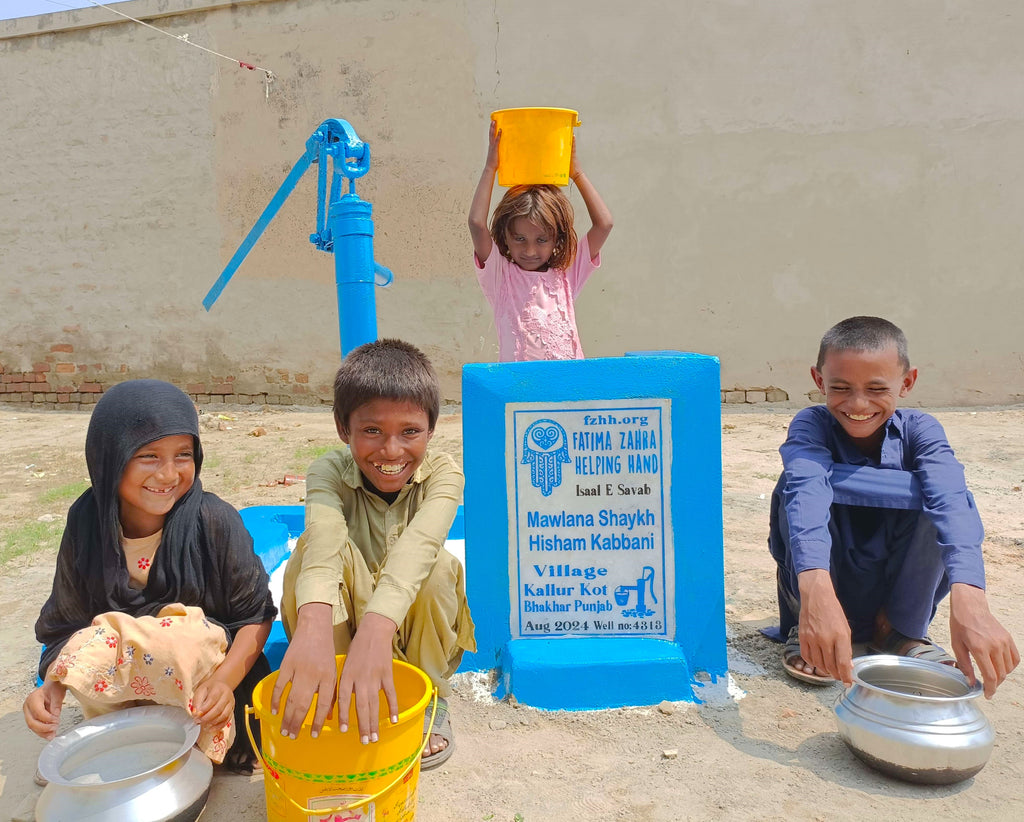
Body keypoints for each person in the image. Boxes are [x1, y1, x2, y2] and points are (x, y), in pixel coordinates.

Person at [24, 380, 276, 772]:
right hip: (130, 694)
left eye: (183, 455)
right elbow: (66, 624)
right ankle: (131, 735)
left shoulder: (213, 520)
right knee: (98, 636)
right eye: (149, 456)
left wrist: (225, 682)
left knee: (181, 636)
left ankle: (205, 740)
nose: (169, 473)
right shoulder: (87, 522)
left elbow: (256, 615)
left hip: (205, 690)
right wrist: (52, 688)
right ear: (110, 457)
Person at [769, 316, 1019, 696]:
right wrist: (816, 592)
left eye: (876, 388)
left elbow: (950, 498)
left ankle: (898, 632)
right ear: (818, 380)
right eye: (840, 387)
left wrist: (972, 595)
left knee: (950, 501)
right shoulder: (811, 424)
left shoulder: (921, 430)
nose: (857, 404)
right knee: (796, 489)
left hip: (898, 591)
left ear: (907, 382)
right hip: (824, 586)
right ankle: (811, 624)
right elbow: (806, 488)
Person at [273, 339, 474, 770]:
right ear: (343, 428)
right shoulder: (327, 471)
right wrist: (312, 628)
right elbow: (325, 545)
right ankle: (336, 687)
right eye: (371, 431)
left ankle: (426, 696)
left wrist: (377, 632)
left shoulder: (444, 473)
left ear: (431, 430)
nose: (391, 451)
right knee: (310, 549)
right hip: (344, 632)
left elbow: (418, 550)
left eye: (410, 432)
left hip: (408, 629)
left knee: (438, 566)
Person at [468, 119, 613, 362]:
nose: (530, 250)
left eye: (542, 239)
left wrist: (576, 173)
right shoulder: (501, 277)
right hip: (521, 392)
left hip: (568, 389)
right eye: (520, 238)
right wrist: (490, 168)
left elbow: (604, 224)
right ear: (505, 236)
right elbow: (476, 224)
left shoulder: (566, 275)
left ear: (557, 238)